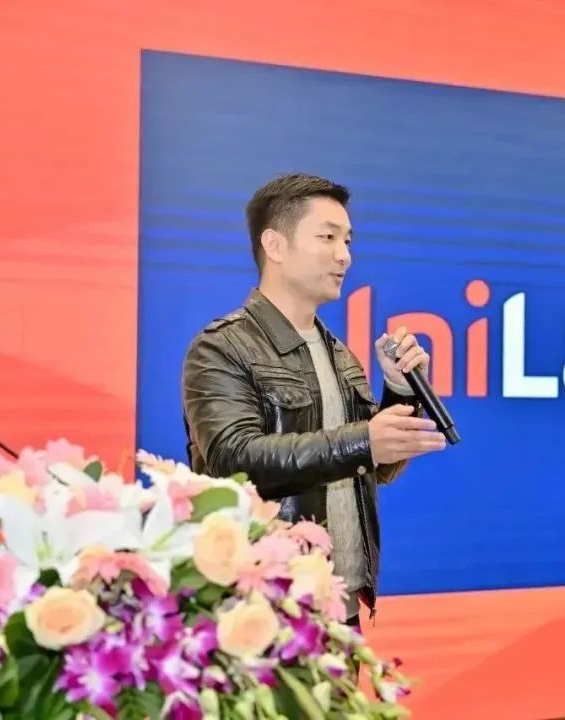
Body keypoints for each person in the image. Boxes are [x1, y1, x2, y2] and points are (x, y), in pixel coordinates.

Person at [180, 172, 447, 627]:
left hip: (342, 606)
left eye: (348, 240)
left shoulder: (338, 352)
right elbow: (233, 460)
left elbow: (375, 467)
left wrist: (399, 390)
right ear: (275, 245)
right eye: (327, 237)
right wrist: (364, 440)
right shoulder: (221, 347)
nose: (345, 255)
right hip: (263, 609)